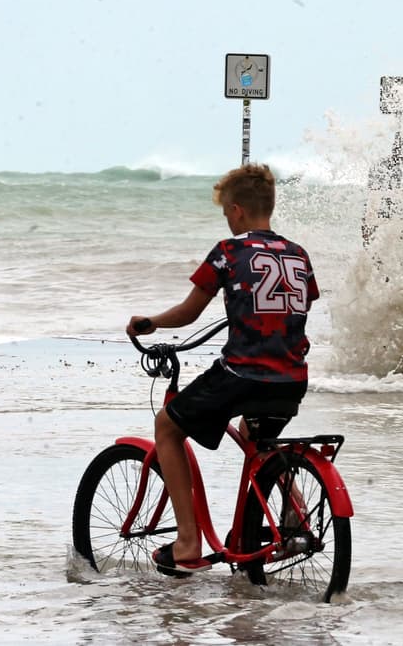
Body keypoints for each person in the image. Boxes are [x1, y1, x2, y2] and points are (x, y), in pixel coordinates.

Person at [126, 163, 319, 575]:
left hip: (242, 374)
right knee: (257, 436)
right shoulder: (299, 255)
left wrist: (152, 321)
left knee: (167, 427)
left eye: (225, 214)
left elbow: (189, 312)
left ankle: (187, 542)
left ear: (236, 210)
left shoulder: (229, 251)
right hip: (292, 378)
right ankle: (294, 517)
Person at [362, 132, 403, 245]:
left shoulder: (398, 171)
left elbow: (394, 192)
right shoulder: (381, 165)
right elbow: (374, 190)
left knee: (384, 242)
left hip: (387, 209)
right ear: (396, 150)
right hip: (374, 206)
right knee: (369, 240)